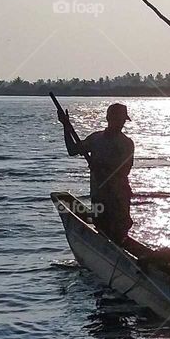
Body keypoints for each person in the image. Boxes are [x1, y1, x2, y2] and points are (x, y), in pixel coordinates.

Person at [59, 102, 135, 243]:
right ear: (108, 118)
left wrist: (101, 166)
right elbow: (72, 150)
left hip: (118, 197)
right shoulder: (95, 139)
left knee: (119, 232)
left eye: (122, 120)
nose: (121, 123)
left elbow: (125, 170)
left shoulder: (126, 143)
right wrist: (66, 126)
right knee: (101, 228)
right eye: (118, 119)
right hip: (99, 196)